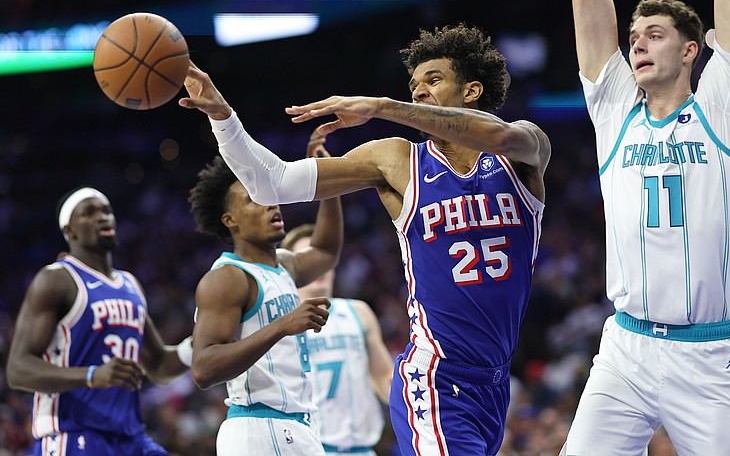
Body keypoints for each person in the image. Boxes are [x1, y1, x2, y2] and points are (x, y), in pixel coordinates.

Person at [179, 22, 551, 455]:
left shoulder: (524, 147)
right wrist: (222, 116)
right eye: (413, 85)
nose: (418, 91)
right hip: (435, 377)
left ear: (471, 91)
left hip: (494, 381)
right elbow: (271, 182)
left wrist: (380, 105)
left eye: (433, 80)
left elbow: (497, 135)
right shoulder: (397, 159)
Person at [564, 0, 730, 454]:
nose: (638, 44)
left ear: (691, 51)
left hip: (707, 354)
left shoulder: (724, 106)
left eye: (655, 35)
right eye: (634, 38)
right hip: (626, 348)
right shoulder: (614, 112)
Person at [6, 186, 193, 455]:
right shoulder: (56, 279)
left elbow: (160, 365)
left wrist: (197, 345)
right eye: (89, 213)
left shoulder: (131, 284)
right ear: (69, 231)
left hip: (130, 438)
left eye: (107, 211)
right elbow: (17, 369)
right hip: (74, 434)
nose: (102, 217)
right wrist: (92, 375)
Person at [187, 149, 343, 456]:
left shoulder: (284, 266)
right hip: (259, 426)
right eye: (253, 199)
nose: (271, 202)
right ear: (230, 220)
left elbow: (326, 251)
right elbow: (203, 369)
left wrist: (327, 180)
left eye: (269, 194)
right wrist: (281, 326)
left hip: (296, 427)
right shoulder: (227, 278)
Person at [281, 127, 395, 456]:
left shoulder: (357, 311)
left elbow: (384, 376)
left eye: (319, 261)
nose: (318, 271)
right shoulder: (281, 321)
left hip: (362, 448)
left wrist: (420, 405)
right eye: (305, 261)